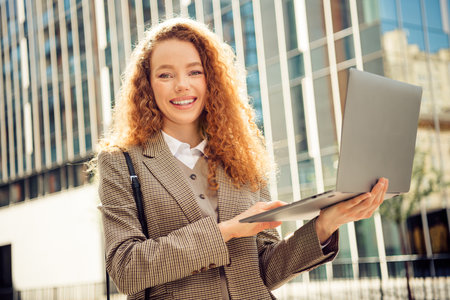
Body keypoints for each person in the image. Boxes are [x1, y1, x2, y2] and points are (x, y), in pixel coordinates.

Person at [97, 18, 389, 300]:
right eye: (165, 74)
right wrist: (228, 230)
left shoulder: (242, 155)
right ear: (147, 84)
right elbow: (126, 269)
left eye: (194, 72)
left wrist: (325, 225)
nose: (182, 85)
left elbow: (264, 270)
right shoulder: (121, 161)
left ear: (211, 79)